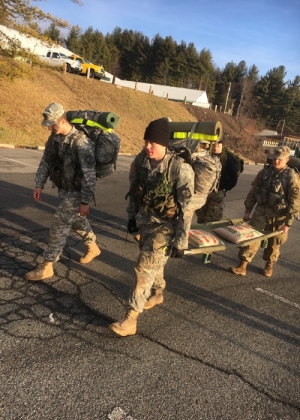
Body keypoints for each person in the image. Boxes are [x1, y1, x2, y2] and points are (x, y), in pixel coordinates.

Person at [109, 118, 195, 336]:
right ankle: (157, 292)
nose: (147, 146)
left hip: (167, 227)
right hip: (146, 222)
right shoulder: (141, 162)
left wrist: (181, 241)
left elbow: (187, 209)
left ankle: (130, 319)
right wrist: (131, 219)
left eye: (152, 143)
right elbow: (133, 191)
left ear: (164, 144)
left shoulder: (180, 170)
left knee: (144, 268)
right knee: (154, 264)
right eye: (146, 141)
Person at [24, 103, 101, 281]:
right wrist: (39, 184)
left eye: (52, 124)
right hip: (65, 189)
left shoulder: (81, 143)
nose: (49, 127)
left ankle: (47, 265)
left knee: (59, 224)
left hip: (77, 192)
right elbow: (46, 161)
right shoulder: (54, 139)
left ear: (63, 120)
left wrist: (85, 201)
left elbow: (89, 175)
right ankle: (92, 246)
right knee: (76, 221)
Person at [230, 145, 300, 277]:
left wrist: (288, 223)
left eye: (280, 159)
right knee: (251, 238)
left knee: (274, 243)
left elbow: (295, 201)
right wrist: (247, 211)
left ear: (287, 159)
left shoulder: (291, 176)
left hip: (278, 216)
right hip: (260, 212)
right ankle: (243, 265)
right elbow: (253, 191)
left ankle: (269, 265)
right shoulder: (265, 172)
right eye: (274, 158)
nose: (276, 161)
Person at [195, 138, 238, 223]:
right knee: (201, 218)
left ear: (223, 145)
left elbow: (233, 178)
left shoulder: (227, 158)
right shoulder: (205, 155)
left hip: (217, 194)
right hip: (204, 192)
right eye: (214, 144)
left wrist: (224, 189)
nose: (216, 146)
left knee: (213, 220)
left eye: (218, 144)